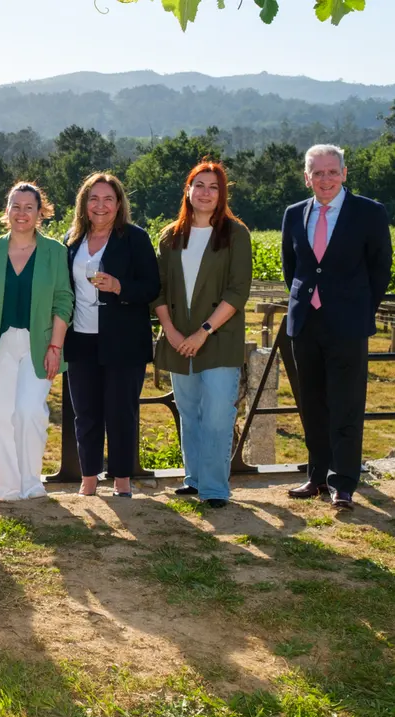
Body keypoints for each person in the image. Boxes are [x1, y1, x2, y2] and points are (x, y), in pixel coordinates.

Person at [282, 145, 392, 511]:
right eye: (317, 172)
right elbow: (291, 268)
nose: (325, 179)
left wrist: (358, 309)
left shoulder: (370, 213)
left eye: (332, 172)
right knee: (312, 403)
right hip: (306, 324)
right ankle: (316, 476)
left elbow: (380, 271)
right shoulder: (294, 214)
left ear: (345, 174)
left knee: (346, 404)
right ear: (306, 177)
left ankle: (343, 482)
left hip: (348, 325)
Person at [152, 161, 252, 510]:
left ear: (222, 193)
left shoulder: (236, 234)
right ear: (188, 190)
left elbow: (238, 291)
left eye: (214, 186)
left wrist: (204, 332)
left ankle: (214, 488)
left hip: (219, 339)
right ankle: (193, 479)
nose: (206, 192)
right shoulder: (170, 236)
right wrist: (172, 331)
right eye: (200, 185)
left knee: (217, 415)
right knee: (189, 410)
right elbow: (158, 290)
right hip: (179, 339)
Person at [0, 182, 73, 501]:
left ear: (41, 213)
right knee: (1, 414)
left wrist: (55, 347)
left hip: (39, 344)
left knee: (30, 410)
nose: (22, 213)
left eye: (29, 207)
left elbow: (63, 300)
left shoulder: (55, 251)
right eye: (16, 206)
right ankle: (8, 488)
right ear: (7, 210)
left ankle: (31, 482)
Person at [64, 173, 160, 498]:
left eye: (108, 199)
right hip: (80, 340)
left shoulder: (135, 238)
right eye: (94, 199)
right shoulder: (72, 240)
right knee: (86, 414)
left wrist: (119, 287)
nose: (100, 205)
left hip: (123, 342)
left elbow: (152, 287)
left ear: (119, 204)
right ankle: (88, 480)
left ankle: (122, 481)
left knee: (121, 413)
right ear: (84, 204)